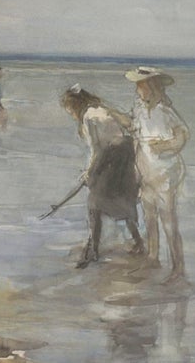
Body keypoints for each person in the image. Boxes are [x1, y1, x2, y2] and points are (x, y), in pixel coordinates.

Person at [58, 85, 144, 269]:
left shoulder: (89, 117)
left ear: (75, 106)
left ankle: (94, 250)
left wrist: (89, 172)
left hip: (111, 158)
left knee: (95, 203)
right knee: (123, 199)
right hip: (125, 156)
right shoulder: (101, 109)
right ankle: (138, 242)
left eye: (70, 110)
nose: (71, 114)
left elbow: (98, 149)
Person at [126, 66, 189, 281]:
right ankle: (153, 257)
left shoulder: (164, 111)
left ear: (152, 87)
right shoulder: (139, 110)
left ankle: (178, 267)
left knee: (168, 219)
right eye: (137, 87)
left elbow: (182, 137)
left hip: (165, 172)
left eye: (141, 86)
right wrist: (135, 167)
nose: (138, 91)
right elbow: (135, 136)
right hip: (146, 170)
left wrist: (164, 145)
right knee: (149, 216)